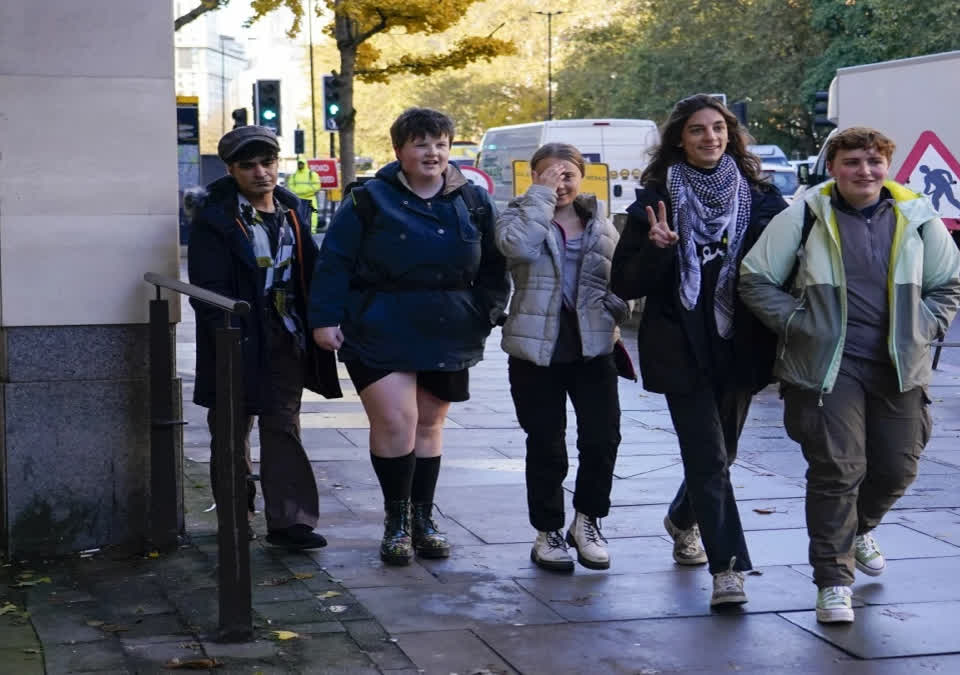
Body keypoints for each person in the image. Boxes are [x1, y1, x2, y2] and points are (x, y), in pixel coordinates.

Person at [738, 126, 960, 624]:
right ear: (833, 167)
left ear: (888, 166)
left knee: (898, 467)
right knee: (838, 471)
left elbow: (946, 284)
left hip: (899, 368)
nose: (864, 171)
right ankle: (833, 582)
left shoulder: (917, 217)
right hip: (827, 369)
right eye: (852, 162)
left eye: (873, 161)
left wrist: (924, 327)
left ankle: (859, 530)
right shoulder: (805, 217)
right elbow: (755, 279)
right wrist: (799, 324)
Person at [308, 108, 509, 566]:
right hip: (379, 321)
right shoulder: (368, 199)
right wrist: (324, 319)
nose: (432, 153)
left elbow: (496, 267)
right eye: (421, 144)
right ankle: (396, 523)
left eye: (440, 143)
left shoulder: (473, 200)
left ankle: (424, 520)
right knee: (396, 422)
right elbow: (334, 261)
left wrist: (486, 312)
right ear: (399, 151)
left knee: (428, 425)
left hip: (450, 325)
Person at [610, 94, 787, 608]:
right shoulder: (654, 202)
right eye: (697, 130)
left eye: (717, 128)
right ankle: (727, 567)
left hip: (739, 344)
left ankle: (683, 516)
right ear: (679, 140)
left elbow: (786, 265)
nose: (709, 137)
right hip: (680, 345)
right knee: (708, 457)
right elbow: (625, 281)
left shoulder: (761, 199)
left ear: (730, 134)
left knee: (722, 454)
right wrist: (658, 250)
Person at [187, 125, 342, 550]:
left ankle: (291, 522)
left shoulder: (294, 211)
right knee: (231, 429)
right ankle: (236, 518)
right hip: (234, 339)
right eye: (248, 165)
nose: (261, 172)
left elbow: (313, 272)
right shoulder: (214, 219)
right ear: (231, 169)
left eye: (268, 162)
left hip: (286, 338)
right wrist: (229, 333)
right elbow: (207, 289)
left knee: (283, 426)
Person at [495, 143, 630, 573]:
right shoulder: (516, 215)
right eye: (551, 173)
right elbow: (518, 250)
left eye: (569, 173)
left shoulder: (600, 222)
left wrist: (619, 304)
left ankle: (587, 522)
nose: (562, 181)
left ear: (583, 177)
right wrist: (540, 199)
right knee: (546, 443)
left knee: (602, 438)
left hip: (593, 346)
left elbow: (619, 277)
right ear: (533, 176)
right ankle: (547, 531)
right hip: (536, 349)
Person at [287, 160, 324, 231]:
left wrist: (302, 191)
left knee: (313, 215)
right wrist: (300, 192)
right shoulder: (294, 175)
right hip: (298, 198)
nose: (300, 165)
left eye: (302, 164)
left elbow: (317, 186)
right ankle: (300, 232)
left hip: (310, 198)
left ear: (305, 164)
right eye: (299, 164)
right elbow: (290, 186)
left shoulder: (312, 174)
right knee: (298, 216)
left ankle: (312, 230)